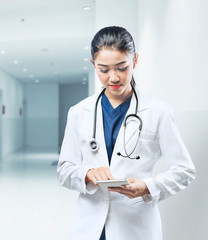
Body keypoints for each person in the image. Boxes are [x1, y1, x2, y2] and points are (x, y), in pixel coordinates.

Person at [57, 26, 196, 240]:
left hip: (135, 226)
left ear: (135, 60)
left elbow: (184, 170)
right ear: (93, 64)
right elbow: (65, 169)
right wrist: (87, 174)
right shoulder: (78, 112)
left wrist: (149, 187)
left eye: (122, 67)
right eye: (104, 69)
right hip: (90, 227)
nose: (113, 77)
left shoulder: (159, 111)